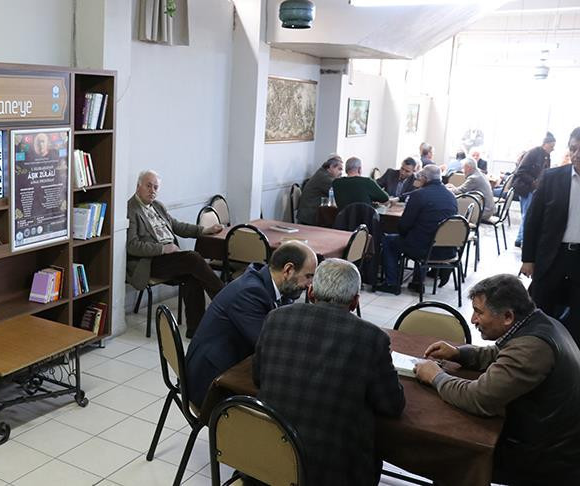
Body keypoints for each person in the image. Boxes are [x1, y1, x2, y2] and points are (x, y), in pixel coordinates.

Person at [414, 274, 580, 484]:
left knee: (451, 453)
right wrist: (458, 353)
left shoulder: (533, 348)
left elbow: (478, 398)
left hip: (546, 458)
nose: (473, 320)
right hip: (548, 439)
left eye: (479, 312)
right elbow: (502, 353)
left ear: (508, 316)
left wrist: (436, 376)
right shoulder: (538, 324)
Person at [254, 259, 405, 485]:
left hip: (268, 462)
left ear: (311, 292)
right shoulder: (372, 338)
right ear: (355, 301)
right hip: (334, 474)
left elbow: (258, 377)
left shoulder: (275, 318)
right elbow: (392, 406)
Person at [185, 241, 317, 407]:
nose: (310, 285)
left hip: (229, 363)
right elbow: (270, 346)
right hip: (210, 383)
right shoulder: (250, 293)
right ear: (288, 270)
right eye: (308, 276)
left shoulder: (269, 284)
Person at [126, 170, 224, 338]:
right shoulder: (131, 209)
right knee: (193, 258)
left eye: (155, 187)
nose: (152, 191)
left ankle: (195, 330)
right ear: (138, 186)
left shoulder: (158, 206)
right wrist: (162, 249)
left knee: (192, 275)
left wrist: (205, 230)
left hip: (170, 258)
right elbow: (132, 246)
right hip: (150, 262)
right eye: (148, 186)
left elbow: (178, 226)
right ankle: (225, 299)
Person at [521, 126, 580, 345]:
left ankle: (572, 357)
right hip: (552, 256)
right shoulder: (553, 177)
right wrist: (528, 259)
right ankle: (537, 352)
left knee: (577, 319)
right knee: (541, 311)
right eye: (573, 149)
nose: (577, 154)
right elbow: (533, 220)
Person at [377, 165, 458, 294]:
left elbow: (404, 225)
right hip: (446, 249)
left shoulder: (419, 195)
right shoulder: (451, 196)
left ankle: (391, 283)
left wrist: (404, 234)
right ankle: (417, 282)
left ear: (425, 178)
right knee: (423, 235)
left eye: (419, 177)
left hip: (423, 249)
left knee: (389, 240)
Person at [514, 132, 556, 248]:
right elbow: (520, 171)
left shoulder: (546, 156)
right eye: (551, 146)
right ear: (545, 144)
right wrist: (534, 182)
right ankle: (523, 240)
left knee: (526, 214)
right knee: (527, 215)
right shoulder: (533, 152)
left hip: (533, 189)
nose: (553, 149)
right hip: (526, 188)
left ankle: (520, 239)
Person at [297, 155, 343, 225]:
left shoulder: (322, 173)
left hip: (310, 213)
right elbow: (338, 193)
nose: (341, 172)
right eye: (339, 169)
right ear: (331, 167)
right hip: (310, 217)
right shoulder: (325, 178)